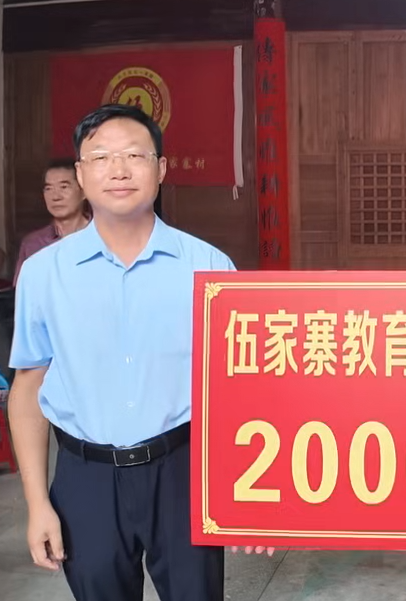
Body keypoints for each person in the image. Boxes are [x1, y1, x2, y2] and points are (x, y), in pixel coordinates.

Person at [7, 104, 270, 601]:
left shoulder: (209, 266)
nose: (119, 169)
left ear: (161, 168)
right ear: (81, 174)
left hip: (183, 470)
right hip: (85, 477)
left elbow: (241, 387)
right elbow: (28, 388)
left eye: (134, 155)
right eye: (101, 157)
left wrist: (247, 497)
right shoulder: (43, 273)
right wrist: (38, 504)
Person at [13, 158, 91, 286]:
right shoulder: (33, 244)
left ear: (84, 192)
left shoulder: (103, 237)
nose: (55, 197)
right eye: (48, 188)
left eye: (64, 187)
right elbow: (22, 292)